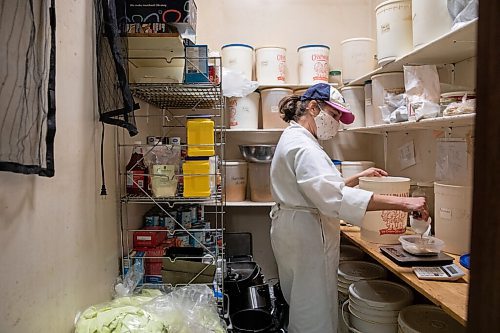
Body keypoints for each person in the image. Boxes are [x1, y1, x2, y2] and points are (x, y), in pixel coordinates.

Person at [269, 83, 429, 333]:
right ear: (312, 107)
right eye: (333, 115)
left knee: (301, 298)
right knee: (314, 309)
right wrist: (405, 203)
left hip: (293, 226)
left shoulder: (295, 137)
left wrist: (360, 176)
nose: (336, 123)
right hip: (307, 233)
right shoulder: (304, 146)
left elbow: (317, 190)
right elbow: (335, 197)